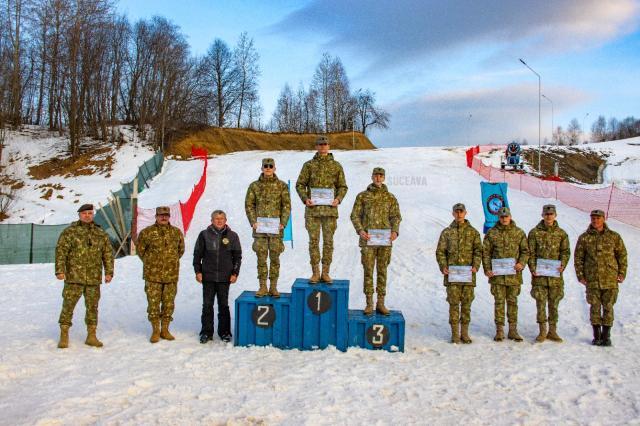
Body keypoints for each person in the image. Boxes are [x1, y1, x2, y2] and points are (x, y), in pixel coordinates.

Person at [54, 203, 114, 348]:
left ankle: (91, 335)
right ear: (79, 215)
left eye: (90, 213)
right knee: (68, 305)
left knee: (92, 307)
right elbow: (61, 251)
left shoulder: (100, 233)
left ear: (93, 215)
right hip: (74, 276)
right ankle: (64, 334)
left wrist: (109, 272)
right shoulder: (70, 232)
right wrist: (60, 270)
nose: (87, 216)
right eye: (84, 213)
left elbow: (107, 254)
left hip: (93, 278)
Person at [296, 135, 348, 284]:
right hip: (313, 212)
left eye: (325, 144)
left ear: (329, 146)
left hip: (330, 212)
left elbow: (342, 186)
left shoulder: (336, 166)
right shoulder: (309, 165)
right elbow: (300, 184)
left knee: (328, 242)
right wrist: (305, 199)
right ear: (316, 147)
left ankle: (325, 272)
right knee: (313, 242)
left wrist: (338, 199)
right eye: (320, 144)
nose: (323, 146)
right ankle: (315, 272)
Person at [350, 167, 401, 315]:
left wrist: (395, 231)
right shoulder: (363, 196)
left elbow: (396, 216)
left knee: (382, 271)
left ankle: (381, 302)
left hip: (384, 241)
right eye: (376, 175)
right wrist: (360, 230)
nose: (378, 178)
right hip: (368, 241)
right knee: (368, 271)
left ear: (384, 178)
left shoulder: (390, 198)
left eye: (381, 175)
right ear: (372, 177)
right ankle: (369, 303)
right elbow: (354, 215)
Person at [574, 209, 627, 346]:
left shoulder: (614, 237)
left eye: (598, 218)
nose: (595, 221)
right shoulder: (584, 237)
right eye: (593, 218)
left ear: (604, 219)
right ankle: (597, 336)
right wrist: (580, 275)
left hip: (610, 279)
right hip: (592, 279)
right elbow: (578, 258)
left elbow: (622, 255)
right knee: (595, 307)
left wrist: (622, 273)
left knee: (608, 307)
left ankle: (606, 336)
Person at [136, 206, 185, 343]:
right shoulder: (147, 232)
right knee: (153, 303)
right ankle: (155, 330)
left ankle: (165, 329)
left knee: (169, 303)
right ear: (156, 216)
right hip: (153, 275)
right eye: (161, 215)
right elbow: (141, 251)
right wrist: (153, 262)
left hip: (171, 275)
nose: (163, 217)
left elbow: (180, 250)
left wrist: (169, 262)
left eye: (166, 215)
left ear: (169, 216)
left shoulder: (176, 232)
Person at [193, 210, 242, 343]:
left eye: (221, 218)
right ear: (212, 220)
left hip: (225, 277)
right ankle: (206, 332)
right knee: (207, 305)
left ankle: (224, 332)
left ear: (226, 220)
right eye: (216, 218)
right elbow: (197, 255)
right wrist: (198, 271)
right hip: (208, 276)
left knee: (223, 305)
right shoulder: (204, 235)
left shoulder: (232, 236)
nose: (219, 221)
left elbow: (237, 257)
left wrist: (235, 273)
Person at [436, 203, 482, 344]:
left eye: (461, 211)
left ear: (465, 213)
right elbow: (440, 252)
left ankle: (465, 333)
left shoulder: (473, 232)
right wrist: (443, 266)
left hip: (468, 276)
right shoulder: (447, 232)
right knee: (454, 304)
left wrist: (475, 265)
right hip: (453, 276)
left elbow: (478, 251)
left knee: (467, 304)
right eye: (456, 212)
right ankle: (455, 333)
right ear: (453, 214)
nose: (459, 214)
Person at [245, 158, 291, 297]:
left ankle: (273, 287)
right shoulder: (254, 186)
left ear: (274, 168)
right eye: (266, 166)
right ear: (262, 168)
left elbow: (286, 206)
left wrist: (283, 222)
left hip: (276, 230)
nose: (268, 168)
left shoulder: (282, 186)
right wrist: (253, 221)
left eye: (271, 166)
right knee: (261, 258)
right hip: (260, 230)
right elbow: (249, 205)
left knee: (275, 258)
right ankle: (263, 286)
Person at [482, 207, 529, 342]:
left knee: (513, 302)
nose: (504, 219)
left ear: (510, 216)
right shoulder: (491, 233)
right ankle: (500, 330)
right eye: (502, 217)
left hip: (514, 276)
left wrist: (521, 263)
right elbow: (486, 253)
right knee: (499, 303)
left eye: (506, 216)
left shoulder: (519, 233)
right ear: (498, 217)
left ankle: (513, 330)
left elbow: (525, 251)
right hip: (497, 277)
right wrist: (487, 269)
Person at [527, 204, 570, 343]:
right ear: (542, 215)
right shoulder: (534, 233)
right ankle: (542, 330)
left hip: (555, 276)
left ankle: (553, 330)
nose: (549, 216)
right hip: (539, 276)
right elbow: (530, 252)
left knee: (554, 303)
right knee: (540, 303)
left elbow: (565, 252)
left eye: (551, 214)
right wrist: (533, 268)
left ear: (555, 215)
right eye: (546, 214)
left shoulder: (562, 234)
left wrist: (562, 264)